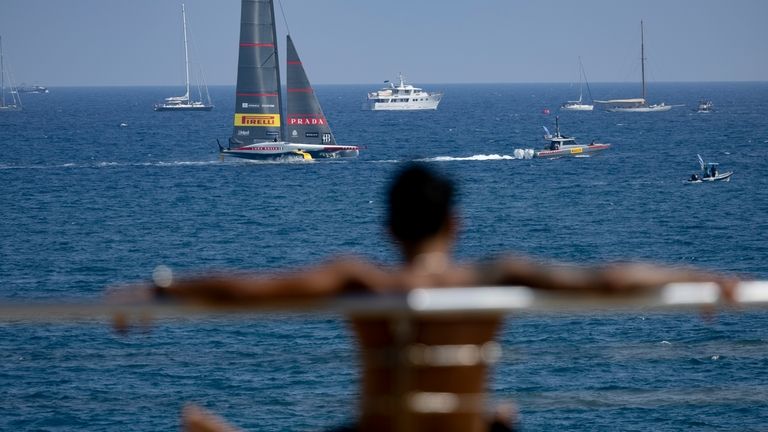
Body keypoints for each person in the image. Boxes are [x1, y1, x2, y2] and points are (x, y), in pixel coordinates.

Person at [111, 163, 734, 432]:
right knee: (497, 419)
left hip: (383, 430)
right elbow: (610, 279)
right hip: (458, 428)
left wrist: (160, 288)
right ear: (454, 225)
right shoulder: (492, 277)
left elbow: (251, 290)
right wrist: (705, 275)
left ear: (388, 229)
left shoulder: (362, 280)